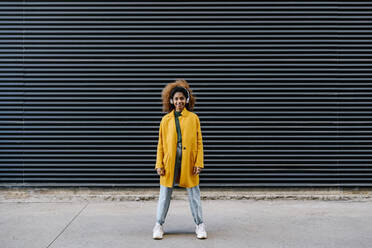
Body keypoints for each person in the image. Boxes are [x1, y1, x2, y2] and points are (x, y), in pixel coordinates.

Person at [152, 79, 207, 240]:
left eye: (182, 98)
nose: (179, 101)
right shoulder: (165, 120)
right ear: (171, 100)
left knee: (194, 194)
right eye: (176, 99)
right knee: (164, 194)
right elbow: (160, 144)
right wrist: (159, 164)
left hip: (189, 161)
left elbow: (199, 142)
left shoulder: (193, 118)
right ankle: (158, 224)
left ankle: (200, 224)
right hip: (169, 161)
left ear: (187, 100)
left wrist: (199, 162)